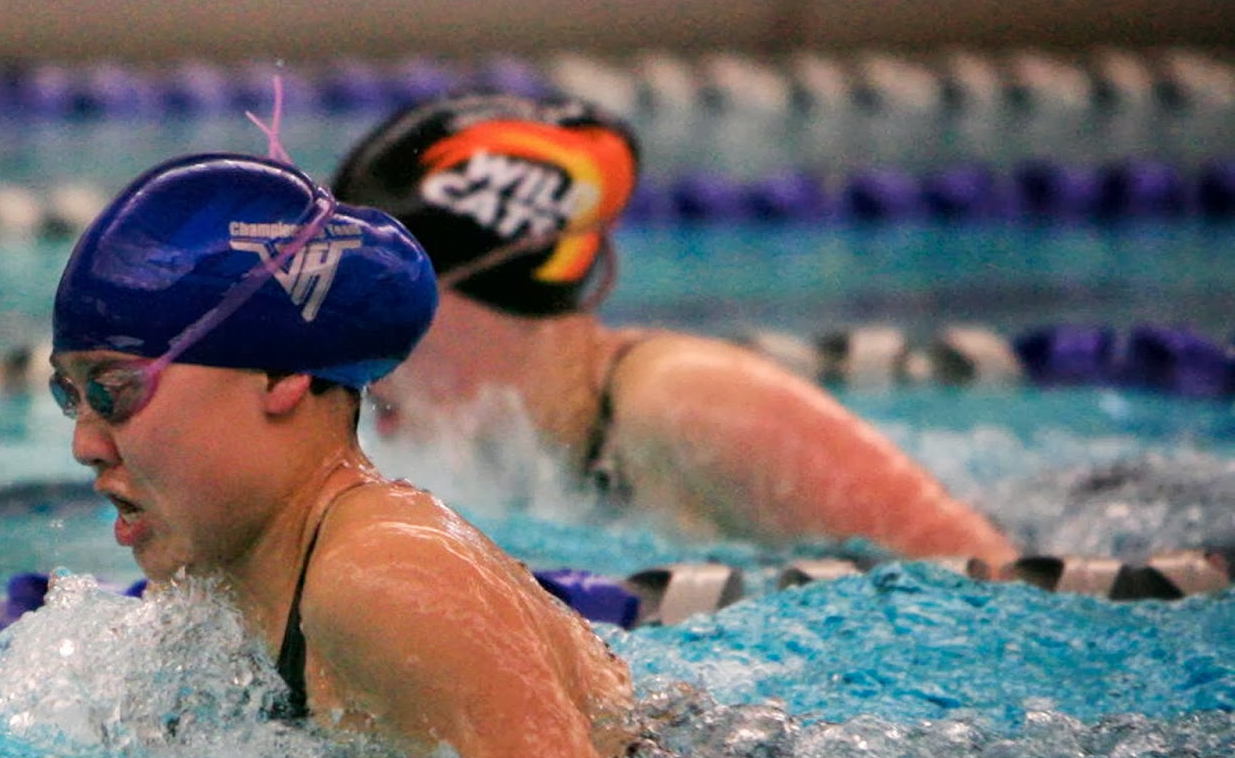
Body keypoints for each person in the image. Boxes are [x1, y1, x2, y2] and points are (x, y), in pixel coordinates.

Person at [48, 151, 634, 758]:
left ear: (277, 373)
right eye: (71, 395)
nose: (85, 445)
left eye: (114, 388)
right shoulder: (224, 583)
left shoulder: (388, 573)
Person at [333, 93, 1020, 565]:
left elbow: (989, 577)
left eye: (381, 302)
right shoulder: (541, 444)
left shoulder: (691, 401)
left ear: (474, 290)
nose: (361, 348)